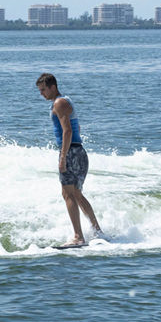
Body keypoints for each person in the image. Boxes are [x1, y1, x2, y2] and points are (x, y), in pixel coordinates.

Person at [37, 72, 103, 248]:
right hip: (78, 151)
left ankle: (78, 237)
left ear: (53, 87)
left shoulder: (59, 103)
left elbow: (68, 131)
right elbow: (77, 127)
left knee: (67, 194)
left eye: (44, 90)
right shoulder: (65, 101)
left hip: (71, 152)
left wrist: (63, 157)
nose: (42, 94)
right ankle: (97, 231)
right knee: (77, 194)